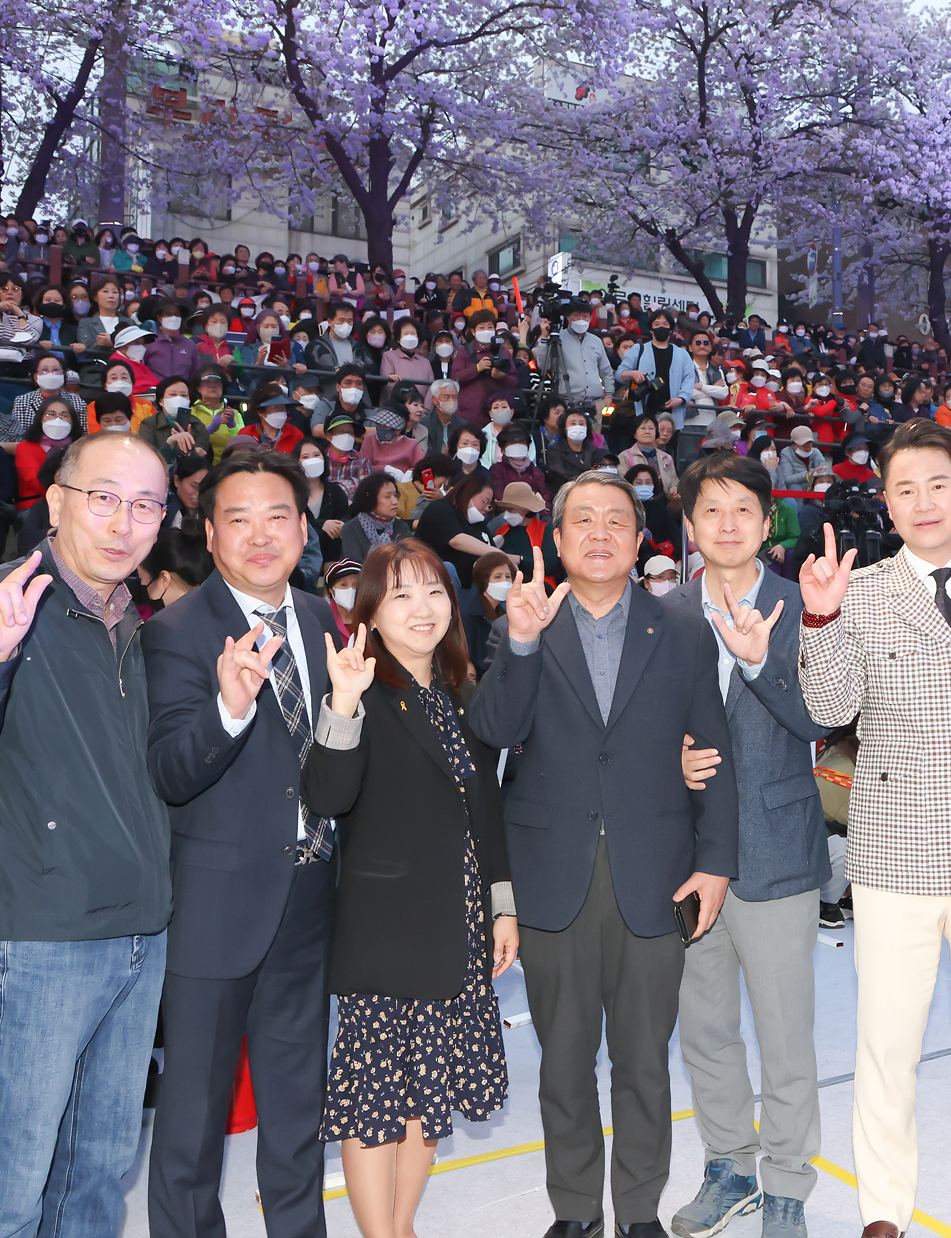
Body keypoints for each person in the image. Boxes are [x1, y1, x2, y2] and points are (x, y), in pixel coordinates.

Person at [0, 430, 175, 1238]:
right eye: (104, 498)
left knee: (95, 1176)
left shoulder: (139, 625)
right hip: (38, 942)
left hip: (140, 935)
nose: (124, 522)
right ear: (55, 500)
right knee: (7, 1187)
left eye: (146, 505)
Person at [468, 471, 738, 1238]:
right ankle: (577, 1213)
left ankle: (641, 1213)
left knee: (646, 1066)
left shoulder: (682, 628)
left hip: (655, 875)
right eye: (580, 520)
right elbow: (493, 727)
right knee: (563, 1067)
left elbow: (710, 744)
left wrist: (715, 860)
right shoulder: (523, 623)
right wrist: (519, 642)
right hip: (553, 878)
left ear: (638, 540)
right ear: (554, 541)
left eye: (615, 520)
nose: (598, 532)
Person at [796, 418, 951, 1238]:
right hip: (896, 849)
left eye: (938, 484)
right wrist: (822, 623)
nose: (924, 502)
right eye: (905, 490)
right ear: (889, 506)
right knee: (887, 1050)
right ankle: (882, 1215)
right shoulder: (858, 592)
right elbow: (829, 712)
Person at [143, 447, 340, 1238]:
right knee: (191, 1119)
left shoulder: (327, 621)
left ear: (303, 527)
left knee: (298, 1113)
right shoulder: (177, 632)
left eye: (277, 517)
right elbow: (169, 771)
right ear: (210, 533)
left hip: (311, 901)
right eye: (239, 519)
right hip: (214, 909)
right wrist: (227, 712)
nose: (261, 536)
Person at [306, 540, 518, 1238]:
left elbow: (485, 809)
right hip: (388, 934)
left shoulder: (462, 689)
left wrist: (501, 903)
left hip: (457, 930)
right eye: (400, 594)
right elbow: (327, 794)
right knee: (376, 1102)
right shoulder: (363, 687)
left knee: (427, 1097)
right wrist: (342, 701)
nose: (422, 608)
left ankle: (401, 1228)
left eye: (433, 591)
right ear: (370, 611)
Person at [669, 452, 834, 1238]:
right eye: (711, 510)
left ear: (768, 524)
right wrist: (665, 756)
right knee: (703, 1029)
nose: (727, 524)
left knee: (783, 1033)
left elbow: (822, 721)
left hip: (776, 849)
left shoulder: (809, 608)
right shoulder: (662, 612)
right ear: (691, 524)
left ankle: (787, 1188)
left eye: (744, 510)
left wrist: (762, 663)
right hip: (684, 856)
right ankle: (729, 1164)